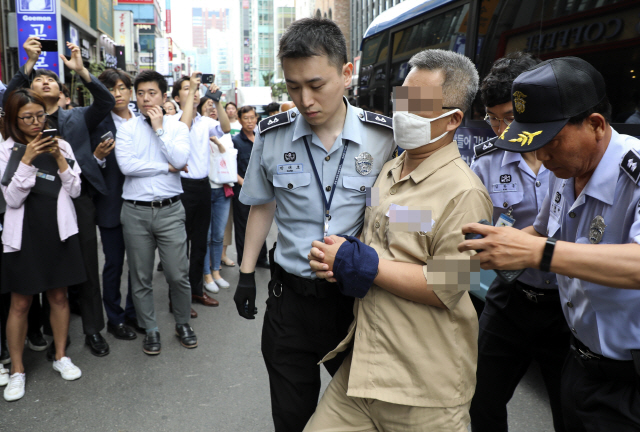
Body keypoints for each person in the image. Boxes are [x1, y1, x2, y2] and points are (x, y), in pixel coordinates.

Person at [304, 48, 491, 432]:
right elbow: (372, 234)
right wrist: (338, 257)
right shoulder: (391, 167)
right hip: (363, 372)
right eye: (401, 100)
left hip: (423, 391)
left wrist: (363, 264)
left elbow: (446, 287)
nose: (402, 114)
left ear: (453, 119)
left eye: (417, 107)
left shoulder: (464, 193)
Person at [458, 56, 640, 432]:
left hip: (627, 378)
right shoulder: (566, 168)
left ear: (595, 125)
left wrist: (538, 253)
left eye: (551, 142)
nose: (540, 157)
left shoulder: (633, 176)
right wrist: (485, 251)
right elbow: (541, 233)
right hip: (579, 358)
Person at [233, 18, 396, 432]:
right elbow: (263, 206)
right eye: (292, 86)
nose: (304, 99)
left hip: (357, 303)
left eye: (316, 84)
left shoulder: (384, 139)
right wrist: (247, 274)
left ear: (346, 73)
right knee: (292, 418)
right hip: (291, 303)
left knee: (364, 416)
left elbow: (393, 211)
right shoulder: (272, 136)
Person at [468, 52, 569, 432]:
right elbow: (475, 232)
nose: (500, 128)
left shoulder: (571, 159)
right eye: (493, 118)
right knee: (481, 401)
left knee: (569, 408)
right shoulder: (485, 162)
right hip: (510, 298)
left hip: (566, 303)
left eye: (509, 116)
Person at [4, 36, 115, 359]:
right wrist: (27, 64)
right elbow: (8, 99)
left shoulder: (76, 117)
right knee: (34, 274)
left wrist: (82, 70)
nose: (45, 81)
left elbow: (105, 102)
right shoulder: (18, 128)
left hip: (74, 197)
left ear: (61, 91)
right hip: (28, 202)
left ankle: (93, 330)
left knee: (85, 267)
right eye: (38, 78)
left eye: (51, 79)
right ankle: (40, 332)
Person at [1, 89, 85, 401]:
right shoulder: (5, 149)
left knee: (59, 296)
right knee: (20, 303)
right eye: (27, 118)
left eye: (40, 116)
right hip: (23, 234)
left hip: (57, 230)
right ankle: (18, 371)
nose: (36, 123)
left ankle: (61, 356)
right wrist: (27, 159)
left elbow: (76, 189)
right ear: (13, 119)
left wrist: (59, 156)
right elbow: (11, 197)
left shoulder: (61, 143)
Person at [115, 70, 197, 356]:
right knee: (141, 277)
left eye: (152, 93)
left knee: (178, 274)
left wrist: (160, 128)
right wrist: (165, 168)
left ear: (164, 96)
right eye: (141, 93)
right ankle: (151, 329)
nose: (146, 98)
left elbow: (180, 159)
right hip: (135, 212)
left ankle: (183, 322)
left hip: (170, 210)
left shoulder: (177, 127)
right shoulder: (126, 128)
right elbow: (127, 167)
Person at [171, 73, 231, 309]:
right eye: (187, 88)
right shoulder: (172, 119)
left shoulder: (206, 122)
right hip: (181, 188)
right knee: (178, 246)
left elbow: (225, 128)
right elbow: (183, 128)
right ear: (177, 97)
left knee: (199, 244)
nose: (194, 91)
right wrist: (195, 89)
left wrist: (217, 100)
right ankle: (177, 298)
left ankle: (196, 291)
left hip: (203, 186)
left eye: (195, 88)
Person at [90, 68, 142, 340]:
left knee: (139, 263)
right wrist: (97, 157)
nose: (117, 93)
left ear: (130, 91)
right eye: (111, 88)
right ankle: (115, 317)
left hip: (142, 203)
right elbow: (87, 167)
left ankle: (135, 313)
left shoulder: (144, 120)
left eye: (122, 87)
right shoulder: (96, 123)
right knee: (114, 264)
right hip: (111, 205)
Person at [231, 105, 269, 269]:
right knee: (243, 227)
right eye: (245, 118)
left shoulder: (262, 138)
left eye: (252, 117)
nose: (249, 121)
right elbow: (232, 170)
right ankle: (244, 262)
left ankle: (261, 258)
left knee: (261, 224)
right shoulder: (235, 142)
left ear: (257, 118)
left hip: (262, 190)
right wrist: (246, 185)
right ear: (239, 120)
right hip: (242, 191)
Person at [203, 134, 234, 292]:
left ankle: (216, 272)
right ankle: (206, 274)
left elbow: (227, 155)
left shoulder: (225, 135)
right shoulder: (197, 130)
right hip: (204, 190)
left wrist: (216, 141)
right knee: (206, 236)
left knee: (218, 235)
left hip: (222, 189)